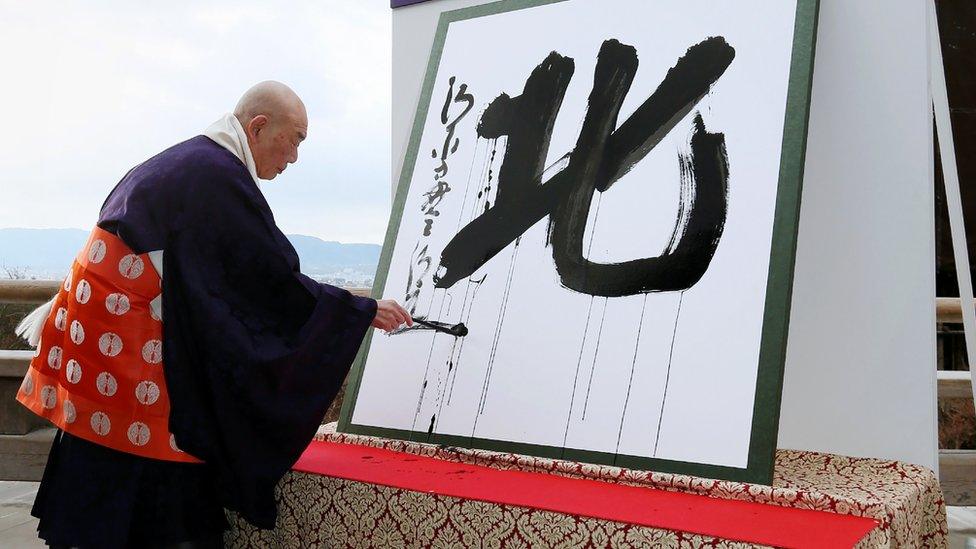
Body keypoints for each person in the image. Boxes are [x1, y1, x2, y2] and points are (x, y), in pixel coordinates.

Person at [14, 81, 411, 548]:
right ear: (259, 127)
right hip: (128, 346)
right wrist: (356, 311)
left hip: (100, 334)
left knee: (104, 486)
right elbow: (269, 280)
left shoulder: (192, 162)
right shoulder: (215, 176)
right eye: (296, 140)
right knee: (158, 484)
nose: (295, 157)